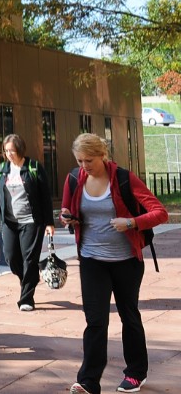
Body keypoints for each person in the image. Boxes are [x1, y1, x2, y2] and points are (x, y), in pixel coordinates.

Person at [61, 133, 167, 394]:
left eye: (89, 160)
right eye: (80, 160)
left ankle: (135, 373)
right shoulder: (74, 178)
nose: (84, 166)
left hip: (126, 261)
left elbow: (160, 212)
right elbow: (67, 209)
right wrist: (68, 218)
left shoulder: (123, 178)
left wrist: (131, 222)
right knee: (95, 321)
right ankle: (88, 381)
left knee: (128, 315)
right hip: (91, 260)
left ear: (102, 155)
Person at [0, 133, 54, 312]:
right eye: (6, 151)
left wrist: (49, 222)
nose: (9, 154)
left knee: (29, 259)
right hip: (9, 222)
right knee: (10, 256)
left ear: (20, 150)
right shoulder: (1, 169)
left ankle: (27, 299)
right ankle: (28, 279)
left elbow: (45, 197)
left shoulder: (33, 167)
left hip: (32, 221)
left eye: (12, 151)